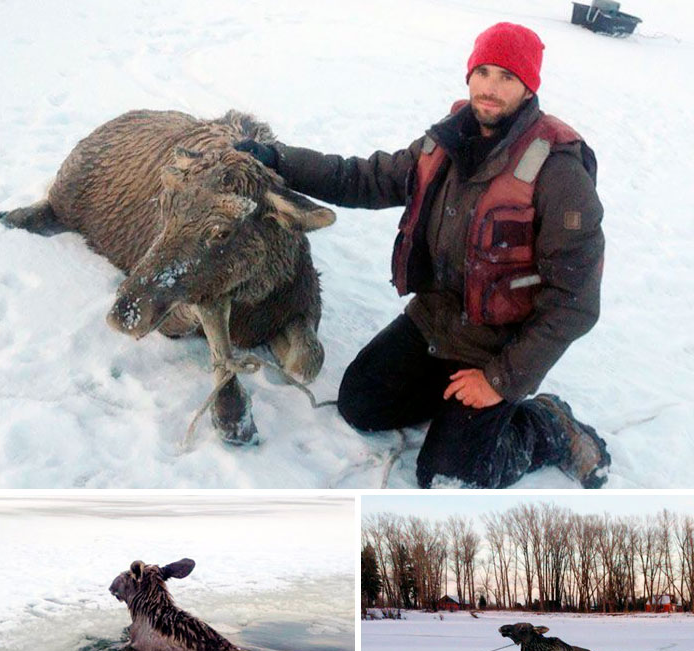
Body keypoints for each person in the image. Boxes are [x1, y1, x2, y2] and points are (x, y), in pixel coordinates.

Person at [237, 23, 609, 489]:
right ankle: (456, 408)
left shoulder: (558, 172)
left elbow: (575, 301)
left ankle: (546, 425)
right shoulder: (445, 144)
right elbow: (363, 178)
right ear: (469, 75)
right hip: (435, 322)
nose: (491, 88)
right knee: (361, 405)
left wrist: (498, 380)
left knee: (447, 476)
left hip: (499, 346)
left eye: (507, 78)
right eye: (484, 72)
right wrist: (278, 159)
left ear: (529, 86)